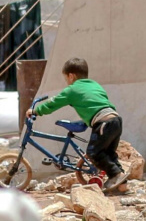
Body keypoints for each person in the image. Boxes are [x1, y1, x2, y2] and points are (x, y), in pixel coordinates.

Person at [26, 58, 127, 191]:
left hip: (103, 122)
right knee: (109, 153)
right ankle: (123, 185)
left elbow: (53, 103)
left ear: (71, 76)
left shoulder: (72, 90)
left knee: (93, 153)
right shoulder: (95, 85)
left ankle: (116, 175)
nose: (67, 82)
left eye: (66, 79)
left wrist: (36, 111)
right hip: (116, 120)